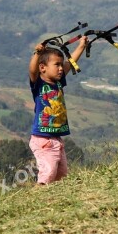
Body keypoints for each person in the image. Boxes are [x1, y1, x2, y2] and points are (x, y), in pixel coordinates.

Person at [28, 36, 87, 185]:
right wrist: (37, 52)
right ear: (43, 68)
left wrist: (81, 46)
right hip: (43, 139)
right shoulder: (38, 84)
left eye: (61, 65)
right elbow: (32, 70)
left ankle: (51, 202)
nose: (61, 68)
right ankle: (37, 199)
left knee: (61, 175)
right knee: (48, 173)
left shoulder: (58, 82)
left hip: (56, 139)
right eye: (56, 65)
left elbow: (70, 64)